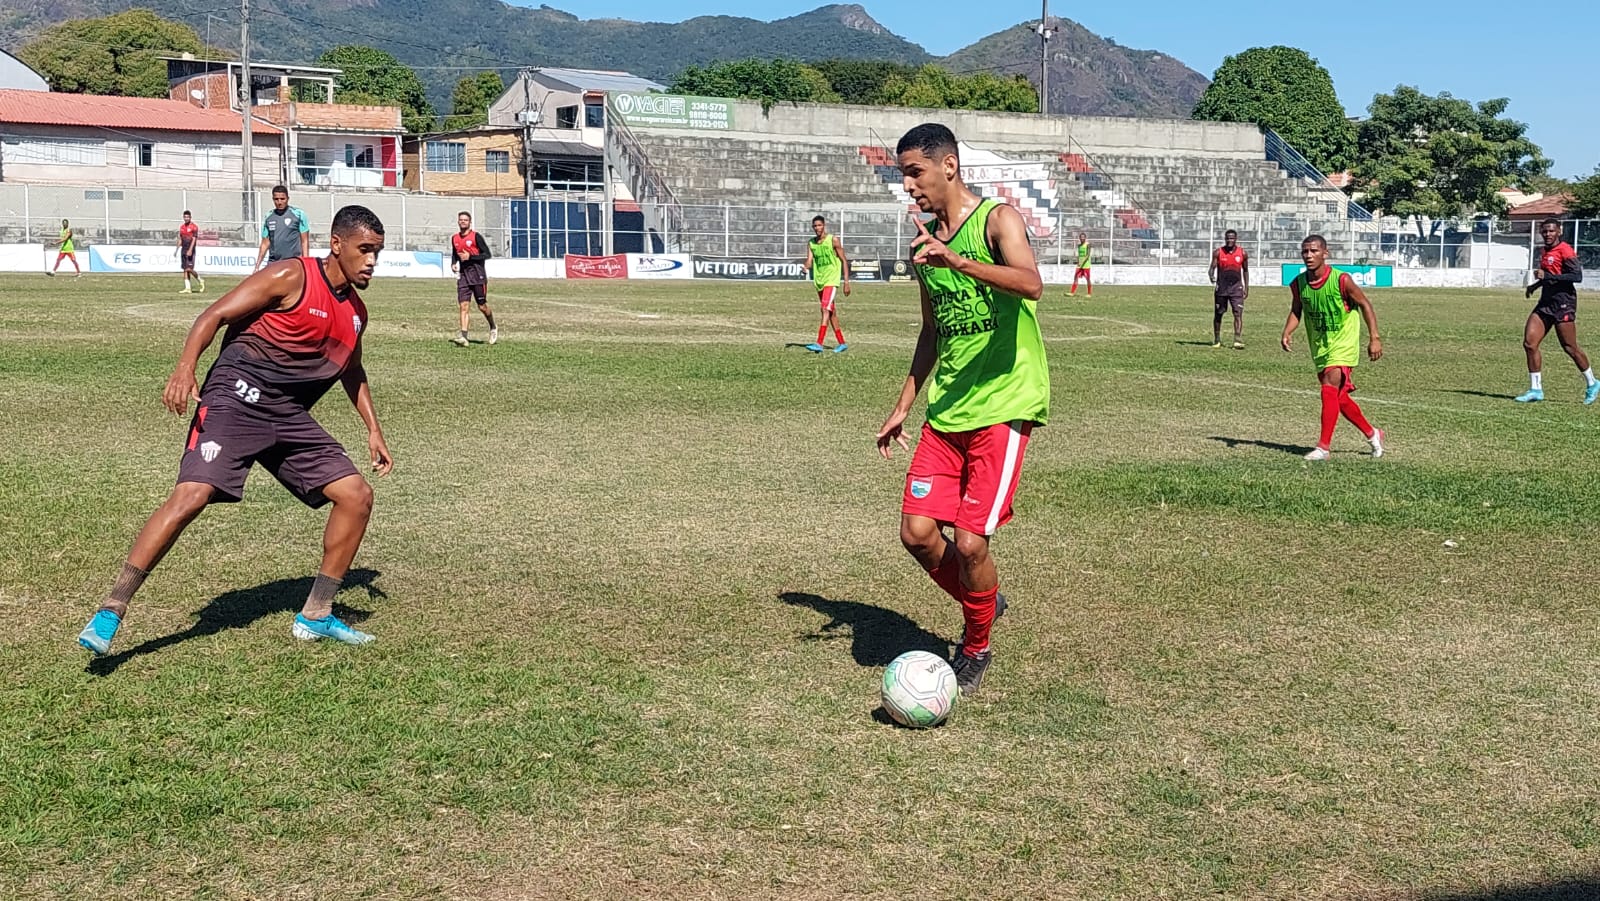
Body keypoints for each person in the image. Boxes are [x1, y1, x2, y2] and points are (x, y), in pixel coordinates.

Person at [77, 205, 394, 657]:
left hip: (286, 415)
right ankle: (112, 609)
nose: (371, 262)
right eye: (364, 250)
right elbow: (212, 316)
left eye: (377, 253)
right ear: (337, 245)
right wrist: (185, 369)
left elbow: (353, 371)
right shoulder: (291, 277)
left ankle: (317, 614)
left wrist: (373, 429)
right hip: (235, 399)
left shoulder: (356, 313)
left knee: (356, 495)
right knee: (192, 496)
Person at [876, 123, 1048, 695]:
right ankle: (984, 600)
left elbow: (1030, 283)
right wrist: (903, 404)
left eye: (914, 171)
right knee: (918, 534)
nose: (908, 185)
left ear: (948, 165)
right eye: (902, 174)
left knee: (972, 543)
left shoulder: (998, 219)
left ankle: (975, 645)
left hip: (1005, 403)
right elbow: (932, 330)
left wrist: (962, 262)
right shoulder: (924, 248)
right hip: (948, 410)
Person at [1281, 235, 1384, 461]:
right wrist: (1288, 331)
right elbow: (1297, 309)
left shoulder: (1342, 280)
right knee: (1338, 398)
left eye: (1314, 251)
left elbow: (1365, 304)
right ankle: (1372, 433)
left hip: (1344, 344)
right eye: (1305, 251)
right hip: (1320, 345)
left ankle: (1323, 448)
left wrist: (1374, 337)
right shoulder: (1298, 284)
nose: (1309, 255)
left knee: (1329, 384)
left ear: (1325, 254)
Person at [1516, 218, 1597, 404]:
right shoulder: (1544, 250)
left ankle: (1592, 383)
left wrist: (1549, 276)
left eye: (1551, 231)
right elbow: (1547, 276)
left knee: (1570, 347)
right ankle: (1536, 389)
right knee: (1530, 343)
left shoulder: (1566, 250)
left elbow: (1577, 276)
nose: (1547, 234)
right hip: (1546, 302)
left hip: (1564, 303)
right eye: (1544, 231)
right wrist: (1535, 286)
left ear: (1558, 231)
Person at [449, 211, 497, 346]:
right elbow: (455, 253)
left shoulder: (476, 237)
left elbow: (487, 254)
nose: (463, 222)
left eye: (465, 220)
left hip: (478, 275)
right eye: (461, 220)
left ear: (470, 222)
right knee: (463, 306)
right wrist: (453, 263)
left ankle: (493, 326)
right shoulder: (454, 238)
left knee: (482, 306)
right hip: (464, 276)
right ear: (458, 222)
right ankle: (464, 337)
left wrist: (470, 257)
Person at [804, 215, 850, 353]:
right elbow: (809, 261)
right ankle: (842, 343)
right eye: (815, 226)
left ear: (824, 225)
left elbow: (844, 261)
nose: (817, 228)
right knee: (831, 312)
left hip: (831, 279)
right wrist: (805, 267)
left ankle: (819, 342)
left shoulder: (833, 240)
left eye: (819, 225)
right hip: (820, 280)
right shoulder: (811, 243)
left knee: (825, 309)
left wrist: (846, 282)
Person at [1208, 228, 1249, 348]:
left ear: (1236, 239)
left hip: (1236, 288)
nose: (1229, 240)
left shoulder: (1242, 253)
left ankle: (1237, 339)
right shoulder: (1218, 252)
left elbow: (1245, 270)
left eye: (1232, 238)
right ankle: (1217, 339)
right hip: (1222, 288)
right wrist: (1211, 276)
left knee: (1238, 313)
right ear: (1225, 239)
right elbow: (1212, 268)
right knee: (1219, 313)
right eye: (1227, 238)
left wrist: (1247, 287)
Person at [255, 185, 310, 270]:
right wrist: (257, 266)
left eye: (282, 199)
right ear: (273, 199)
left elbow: (304, 241)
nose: (279, 202)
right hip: (274, 263)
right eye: (276, 199)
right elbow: (265, 243)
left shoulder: (299, 215)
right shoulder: (269, 216)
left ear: (288, 198)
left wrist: (306, 263)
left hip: (293, 263)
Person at [177, 210, 205, 294]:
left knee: (189, 269)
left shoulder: (194, 227)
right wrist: (176, 249)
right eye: (185, 217)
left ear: (190, 217)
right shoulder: (182, 227)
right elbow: (181, 238)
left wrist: (190, 250)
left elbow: (194, 239)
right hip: (183, 250)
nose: (186, 218)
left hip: (190, 250)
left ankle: (200, 279)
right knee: (185, 269)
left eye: (188, 217)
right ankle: (188, 288)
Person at [1069, 232, 1091, 297]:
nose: (1082, 238)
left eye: (1083, 237)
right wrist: (1078, 261)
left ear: (1085, 238)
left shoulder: (1088, 245)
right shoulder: (1079, 245)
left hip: (1086, 264)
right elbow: (1079, 255)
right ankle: (1072, 292)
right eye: (1081, 237)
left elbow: (1088, 255)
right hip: (1080, 264)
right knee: (1075, 277)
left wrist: (1083, 262)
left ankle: (1089, 293)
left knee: (1088, 278)